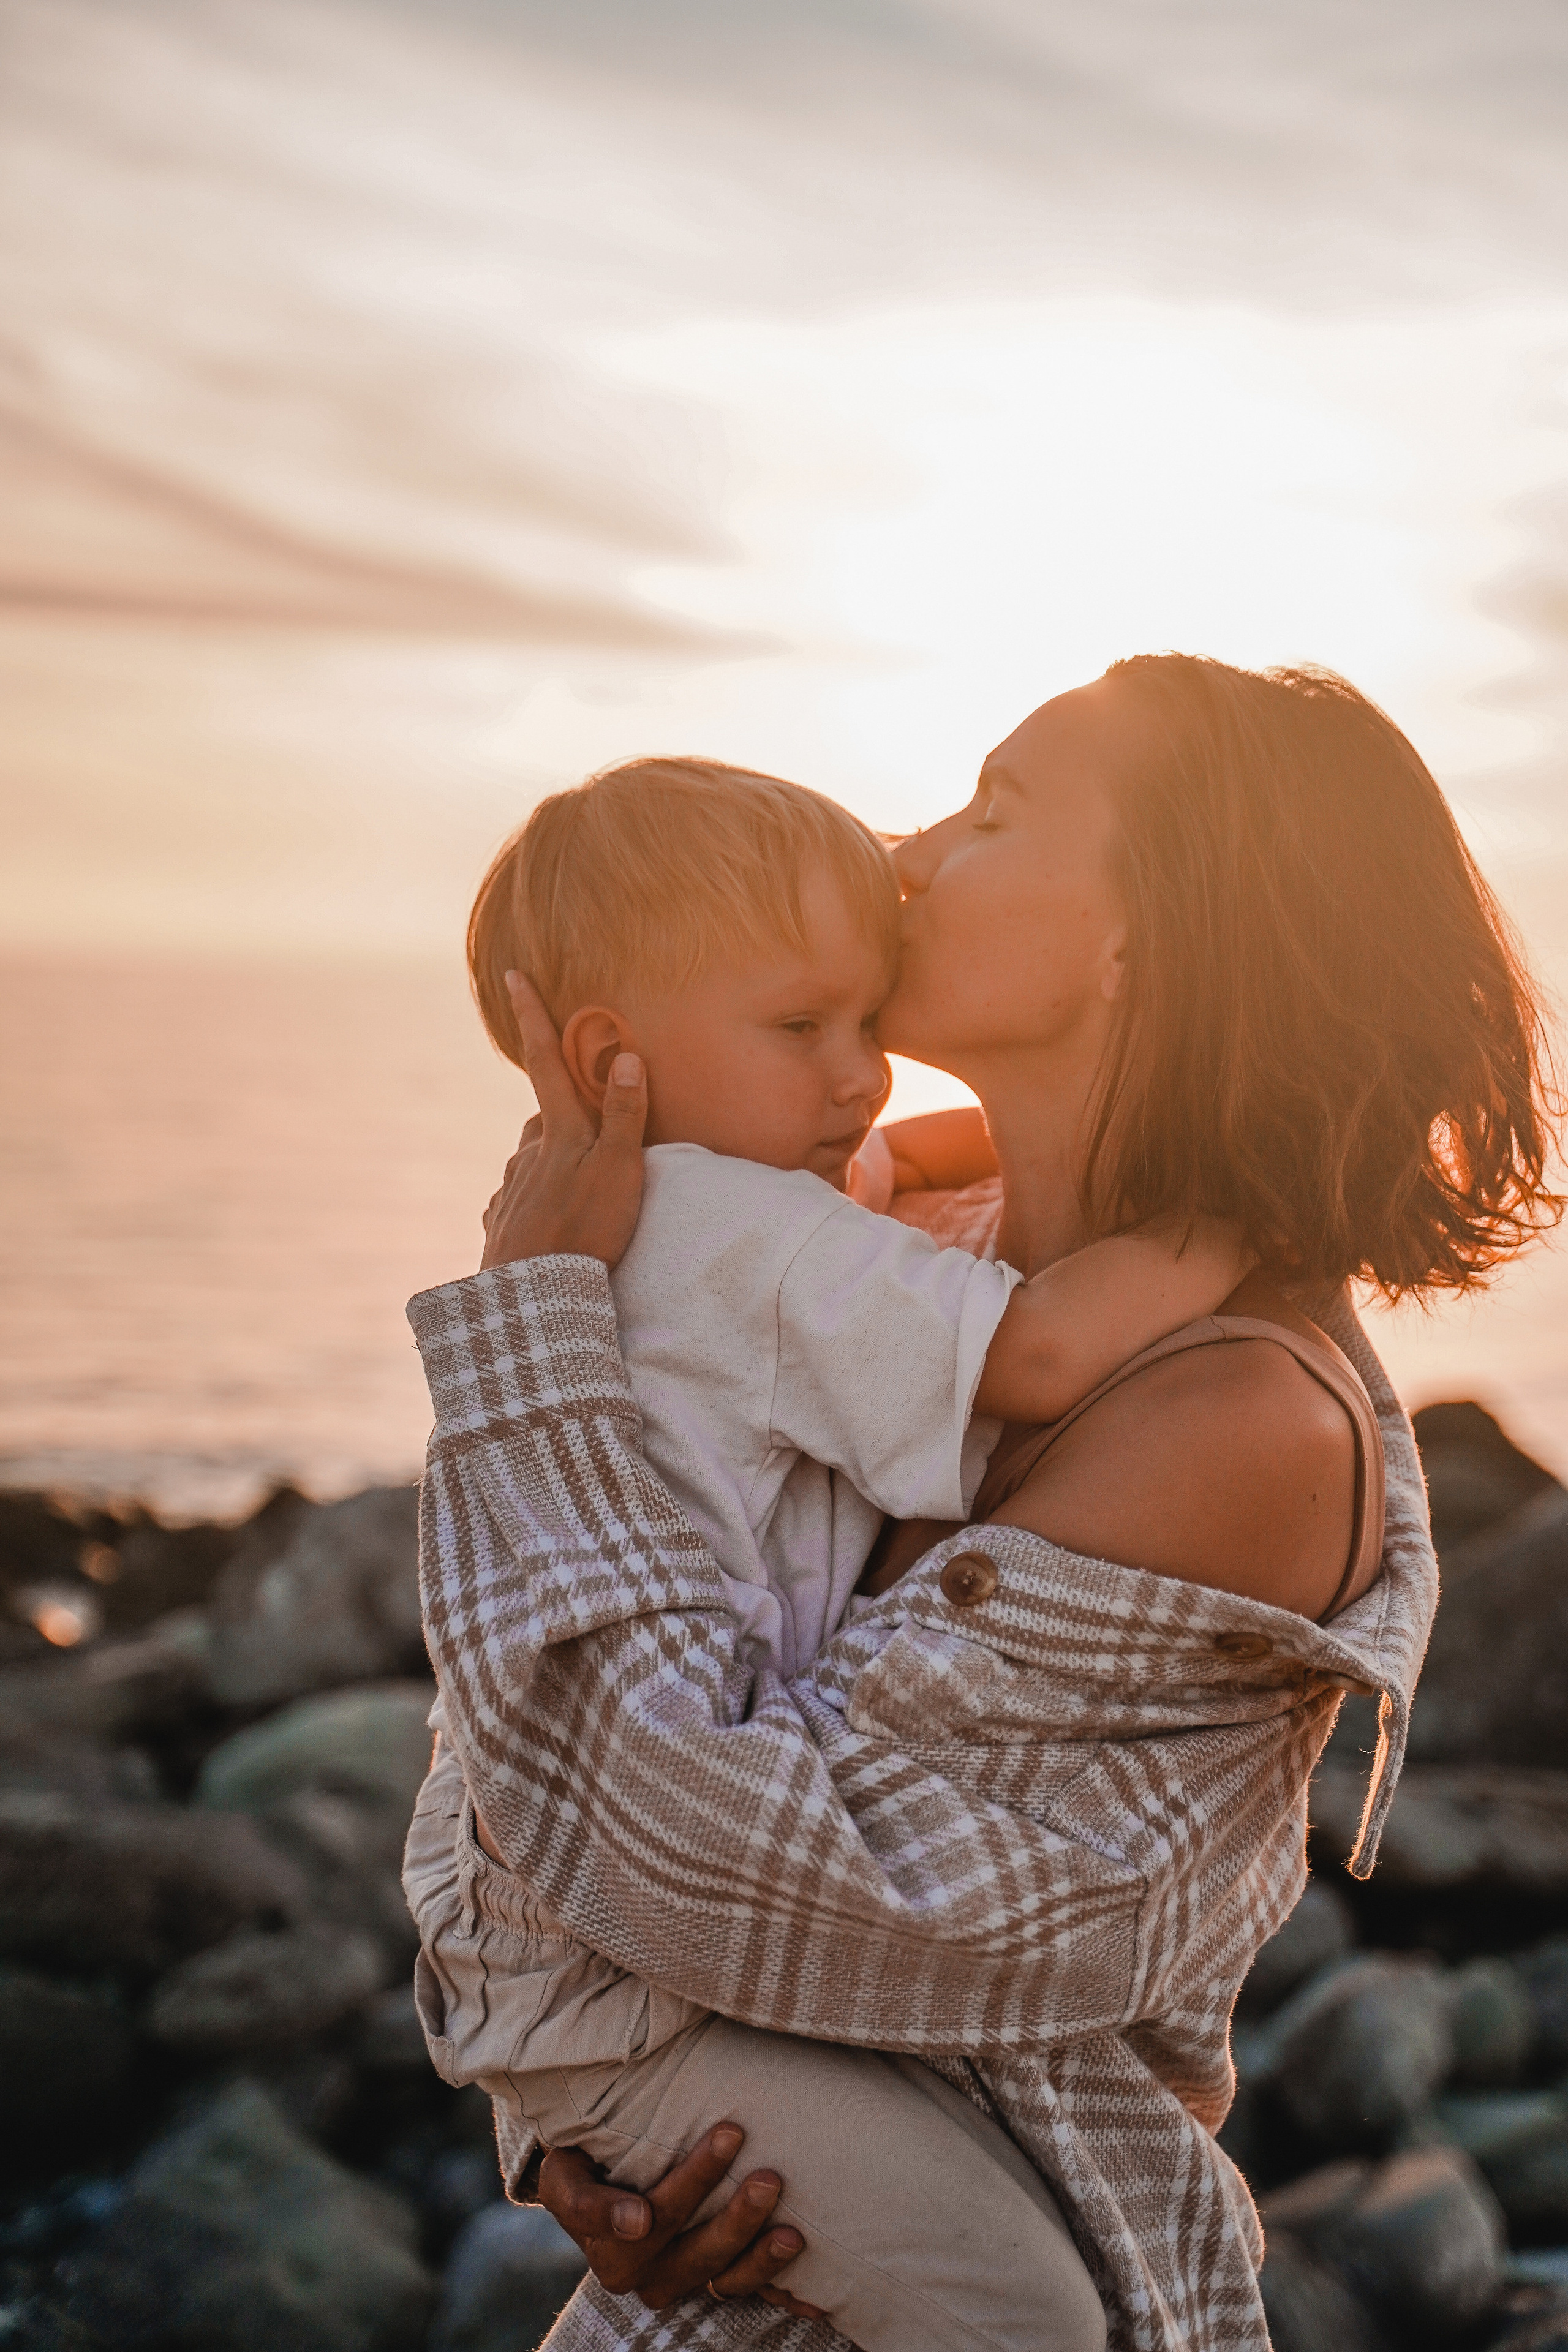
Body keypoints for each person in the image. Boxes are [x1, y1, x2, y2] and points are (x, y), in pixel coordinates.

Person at [403, 657, 1559, 2352]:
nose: (907, 849)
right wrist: (584, 2122)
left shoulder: (1240, 1417)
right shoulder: (926, 1235)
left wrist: (529, 1327)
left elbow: (708, 1861)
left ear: (1142, 938)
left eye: (996, 810)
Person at [405, 755, 1251, 2352]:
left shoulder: (713, 1194)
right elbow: (1046, 1357)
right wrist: (1242, 1215)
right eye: (805, 1030)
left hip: (553, 1916)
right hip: (629, 1956)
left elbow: (898, 1169)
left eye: (867, 1023)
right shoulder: (747, 1232)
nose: (861, 1078)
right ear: (610, 1058)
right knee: (1025, 2318)